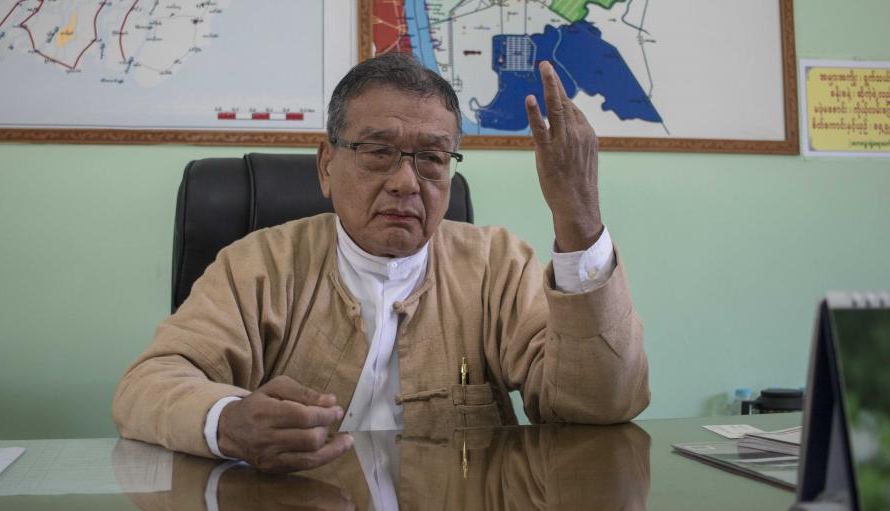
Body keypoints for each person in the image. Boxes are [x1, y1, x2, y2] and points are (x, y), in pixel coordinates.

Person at [113, 53, 649, 474]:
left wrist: (578, 219)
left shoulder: (497, 266)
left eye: (432, 159)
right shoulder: (260, 264)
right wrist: (228, 421)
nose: (406, 182)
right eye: (378, 152)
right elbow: (148, 386)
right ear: (327, 166)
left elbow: (599, 405)